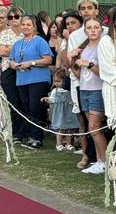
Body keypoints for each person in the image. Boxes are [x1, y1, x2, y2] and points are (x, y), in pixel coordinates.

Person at [8, 14, 53, 148]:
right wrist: (13, 64)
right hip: (22, 79)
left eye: (28, 25)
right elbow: (10, 60)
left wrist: (31, 62)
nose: (25, 27)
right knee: (26, 108)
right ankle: (31, 135)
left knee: (35, 107)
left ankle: (37, 138)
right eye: (23, 25)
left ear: (34, 27)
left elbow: (48, 59)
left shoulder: (39, 41)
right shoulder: (17, 43)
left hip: (38, 79)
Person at [74, 16, 108, 174]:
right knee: (93, 128)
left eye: (96, 27)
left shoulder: (103, 46)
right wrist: (72, 58)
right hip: (84, 89)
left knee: (94, 127)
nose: (93, 30)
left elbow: (104, 73)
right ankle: (99, 160)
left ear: (101, 29)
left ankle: (105, 162)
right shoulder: (84, 48)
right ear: (85, 30)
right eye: (89, 27)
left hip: (97, 90)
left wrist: (89, 64)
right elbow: (77, 73)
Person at [0, 8, 24, 141]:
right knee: (12, 100)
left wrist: (10, 49)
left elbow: (8, 50)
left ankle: (28, 130)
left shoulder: (27, 31)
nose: (14, 19)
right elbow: (2, 51)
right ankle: (17, 132)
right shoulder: (4, 34)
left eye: (17, 16)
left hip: (25, 70)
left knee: (24, 100)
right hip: (8, 70)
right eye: (11, 17)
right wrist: (18, 50)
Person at [45, 66, 79, 150]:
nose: (56, 83)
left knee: (69, 128)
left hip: (69, 111)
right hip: (59, 112)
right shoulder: (55, 91)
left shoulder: (69, 90)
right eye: (55, 81)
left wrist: (73, 102)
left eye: (58, 81)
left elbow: (73, 97)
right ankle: (59, 144)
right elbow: (52, 100)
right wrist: (47, 99)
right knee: (60, 128)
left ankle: (68, 144)